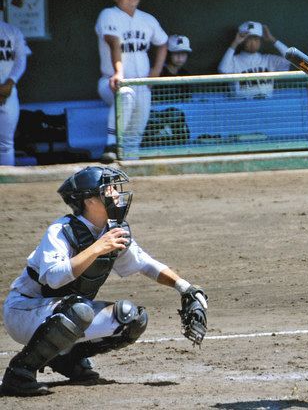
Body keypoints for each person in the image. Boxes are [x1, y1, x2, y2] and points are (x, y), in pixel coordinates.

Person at [0, 166, 208, 396]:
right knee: (79, 311)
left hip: (61, 312)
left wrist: (184, 287)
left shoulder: (112, 230)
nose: (117, 195)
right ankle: (19, 373)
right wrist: (97, 248)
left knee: (131, 318)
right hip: (23, 312)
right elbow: (55, 278)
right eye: (109, 190)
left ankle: (66, 360)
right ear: (90, 201)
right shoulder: (61, 231)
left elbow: (145, 263)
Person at [95, 0, 168, 163]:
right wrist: (119, 72)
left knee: (134, 136)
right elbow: (114, 43)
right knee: (125, 94)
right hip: (112, 81)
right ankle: (110, 144)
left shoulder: (147, 19)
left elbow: (163, 43)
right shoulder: (108, 14)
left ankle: (131, 173)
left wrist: (156, 71)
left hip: (142, 84)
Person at [217, 21, 290, 99]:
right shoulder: (234, 60)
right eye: (249, 39)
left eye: (256, 39)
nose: (253, 42)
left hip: (267, 105)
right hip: (241, 106)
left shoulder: (268, 59)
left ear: (260, 41)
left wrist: (272, 39)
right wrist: (235, 42)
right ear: (242, 41)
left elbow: (291, 59)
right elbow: (223, 70)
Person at [0, 0, 32, 166]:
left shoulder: (13, 32)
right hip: (4, 91)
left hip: (8, 92)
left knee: (5, 144)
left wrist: (9, 83)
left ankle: (6, 189)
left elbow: (21, 60)